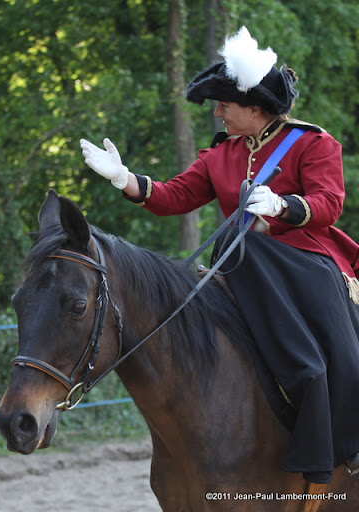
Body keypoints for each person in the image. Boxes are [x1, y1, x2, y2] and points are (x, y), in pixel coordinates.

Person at [80, 26, 359, 485]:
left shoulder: (313, 144)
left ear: (255, 109)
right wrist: (126, 179)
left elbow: (329, 204)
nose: (217, 113)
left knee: (330, 344)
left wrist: (282, 205)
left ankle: (346, 437)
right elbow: (175, 196)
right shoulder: (220, 153)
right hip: (241, 260)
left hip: (302, 257)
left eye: (224, 105)